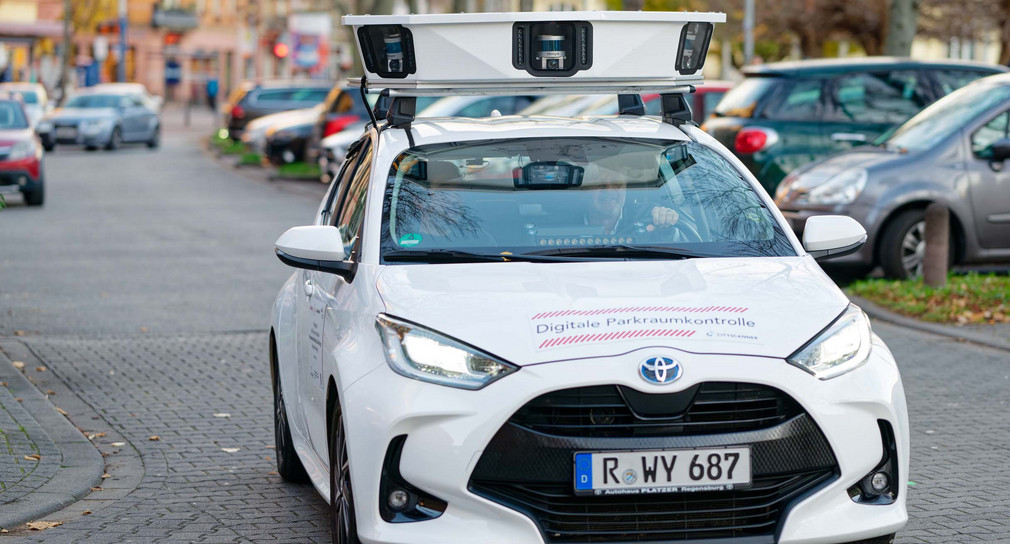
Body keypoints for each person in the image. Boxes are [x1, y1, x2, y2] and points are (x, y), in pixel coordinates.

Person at [585, 181, 681, 235]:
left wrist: (666, 221)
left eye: (616, 183)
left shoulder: (647, 214)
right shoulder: (574, 218)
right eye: (600, 184)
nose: (609, 190)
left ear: (625, 189)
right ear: (586, 190)